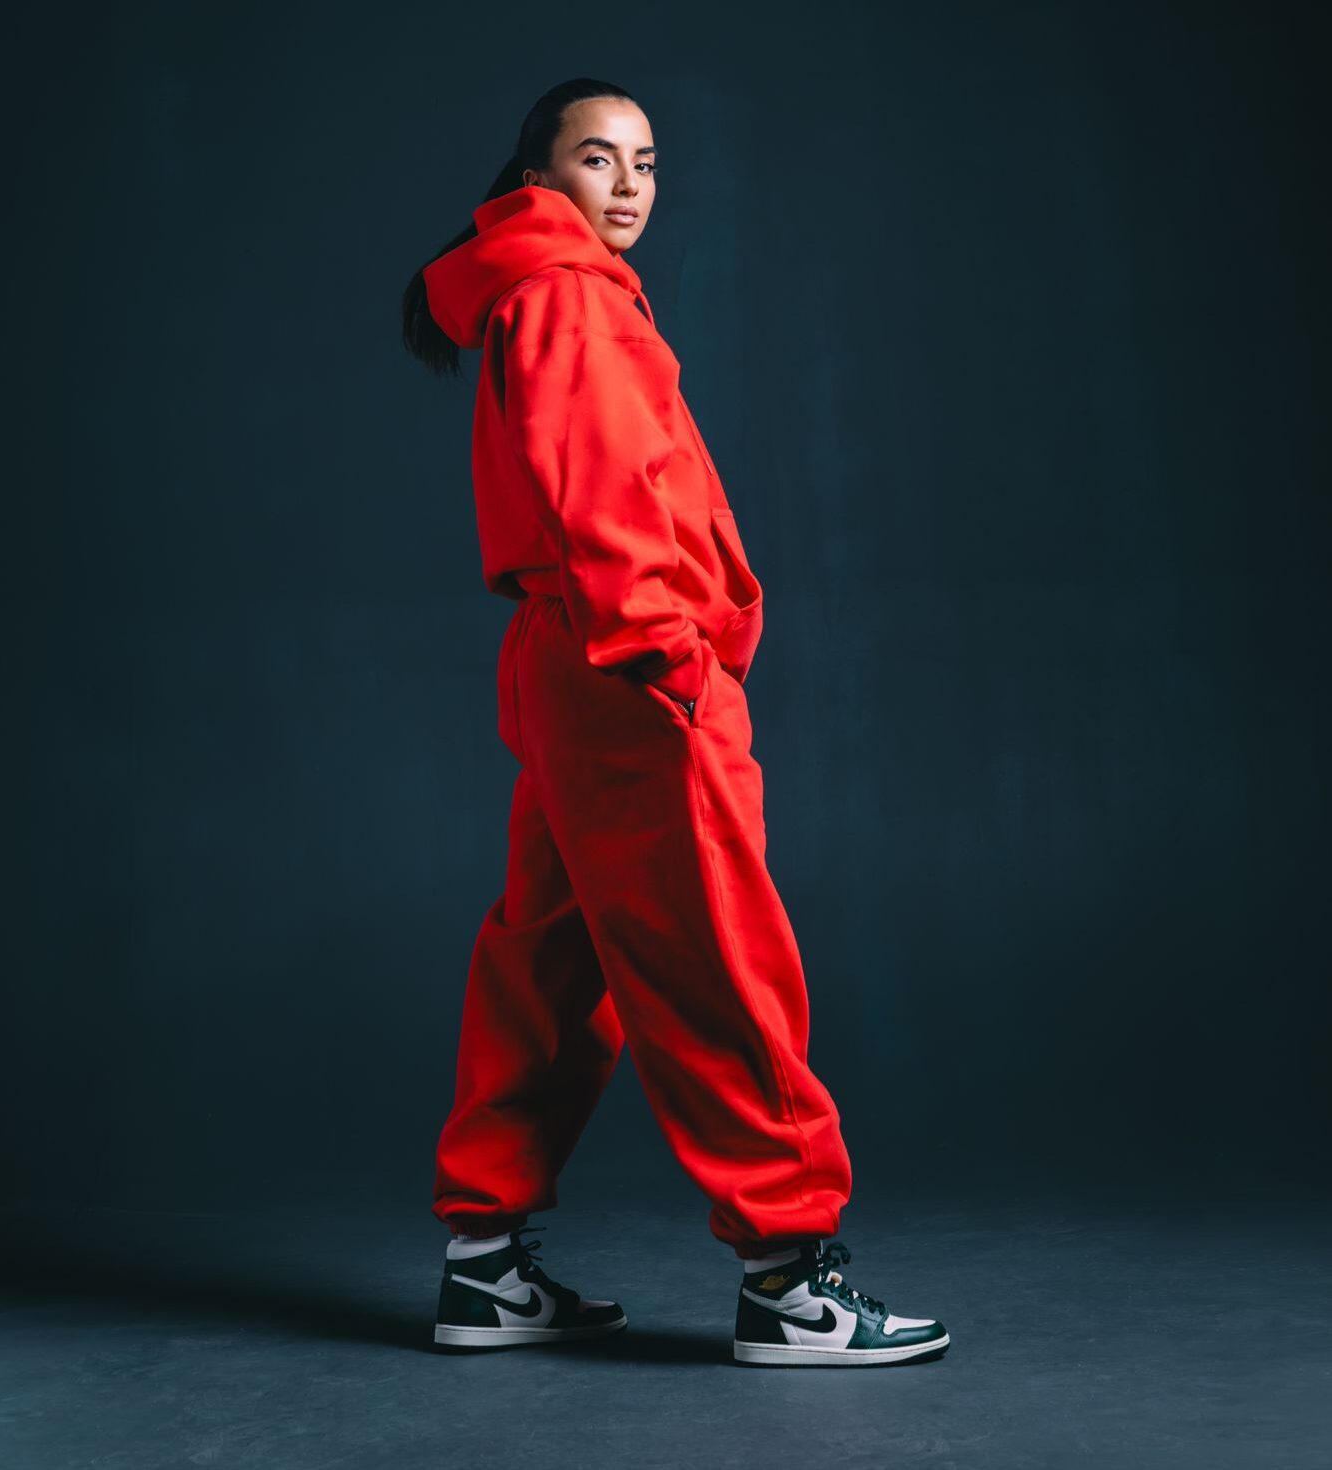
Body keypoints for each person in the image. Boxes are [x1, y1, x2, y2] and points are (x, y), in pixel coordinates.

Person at [401, 77, 949, 1368]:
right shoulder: (569, 293)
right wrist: (672, 660)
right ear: (538, 178)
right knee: (717, 955)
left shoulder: (539, 289)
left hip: (570, 664)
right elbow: (600, 494)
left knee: (549, 962)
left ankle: (483, 1268)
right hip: (627, 668)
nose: (630, 184)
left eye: (645, 162)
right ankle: (789, 1278)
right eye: (598, 158)